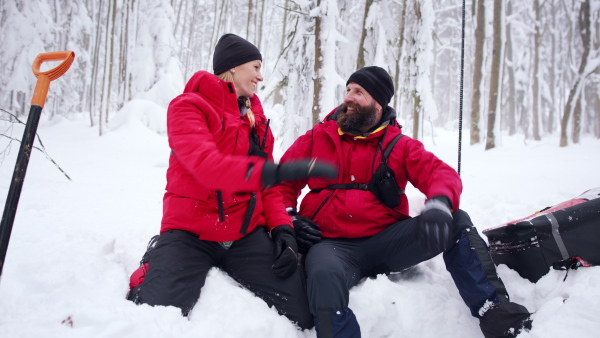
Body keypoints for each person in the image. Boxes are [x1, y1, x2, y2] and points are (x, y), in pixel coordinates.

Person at [278, 66, 533, 338]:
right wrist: (289, 217)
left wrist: (439, 203)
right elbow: (281, 183)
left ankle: (497, 314)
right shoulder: (318, 138)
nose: (349, 98)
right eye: (348, 91)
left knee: (456, 221)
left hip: (388, 242)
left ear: (378, 104)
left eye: (359, 92)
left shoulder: (399, 145)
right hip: (332, 247)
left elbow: (441, 173)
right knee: (323, 277)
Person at [126, 33, 337, 330]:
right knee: (154, 317)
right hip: (191, 232)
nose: (260, 77)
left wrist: (282, 229)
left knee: (302, 313)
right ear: (234, 67)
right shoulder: (189, 107)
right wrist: (273, 172)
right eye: (255, 67)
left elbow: (269, 189)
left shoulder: (258, 121)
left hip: (243, 234)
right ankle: (157, 256)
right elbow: (208, 167)